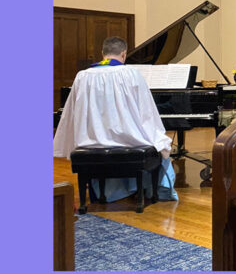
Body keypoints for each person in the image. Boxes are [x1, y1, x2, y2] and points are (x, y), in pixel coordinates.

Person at [53, 36, 178, 204]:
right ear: (124, 54)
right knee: (160, 144)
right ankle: (146, 189)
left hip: (91, 143)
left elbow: (72, 113)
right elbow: (146, 112)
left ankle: (104, 192)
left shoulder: (82, 76)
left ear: (102, 53)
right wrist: (155, 135)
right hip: (130, 142)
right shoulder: (132, 74)